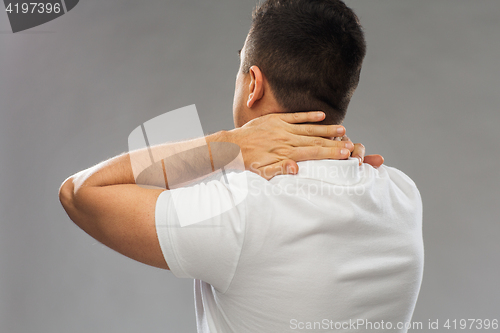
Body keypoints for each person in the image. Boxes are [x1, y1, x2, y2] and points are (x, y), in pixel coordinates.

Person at [59, 0, 423, 332]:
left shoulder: (239, 210)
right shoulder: (403, 198)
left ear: (254, 85)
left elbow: (79, 193)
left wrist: (230, 144)